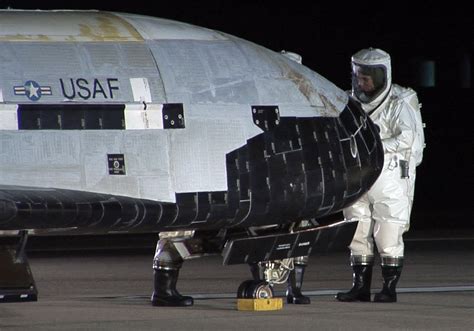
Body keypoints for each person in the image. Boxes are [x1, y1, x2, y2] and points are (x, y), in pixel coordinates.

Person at [336, 48, 424, 303]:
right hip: (357, 175)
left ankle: (388, 288)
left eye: (368, 78)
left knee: (388, 234)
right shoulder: (348, 102)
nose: (362, 82)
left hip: (391, 177)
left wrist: (373, 145)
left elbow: (408, 137)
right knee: (356, 230)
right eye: (359, 77)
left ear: (382, 76)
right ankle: (360, 287)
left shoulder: (400, 101)